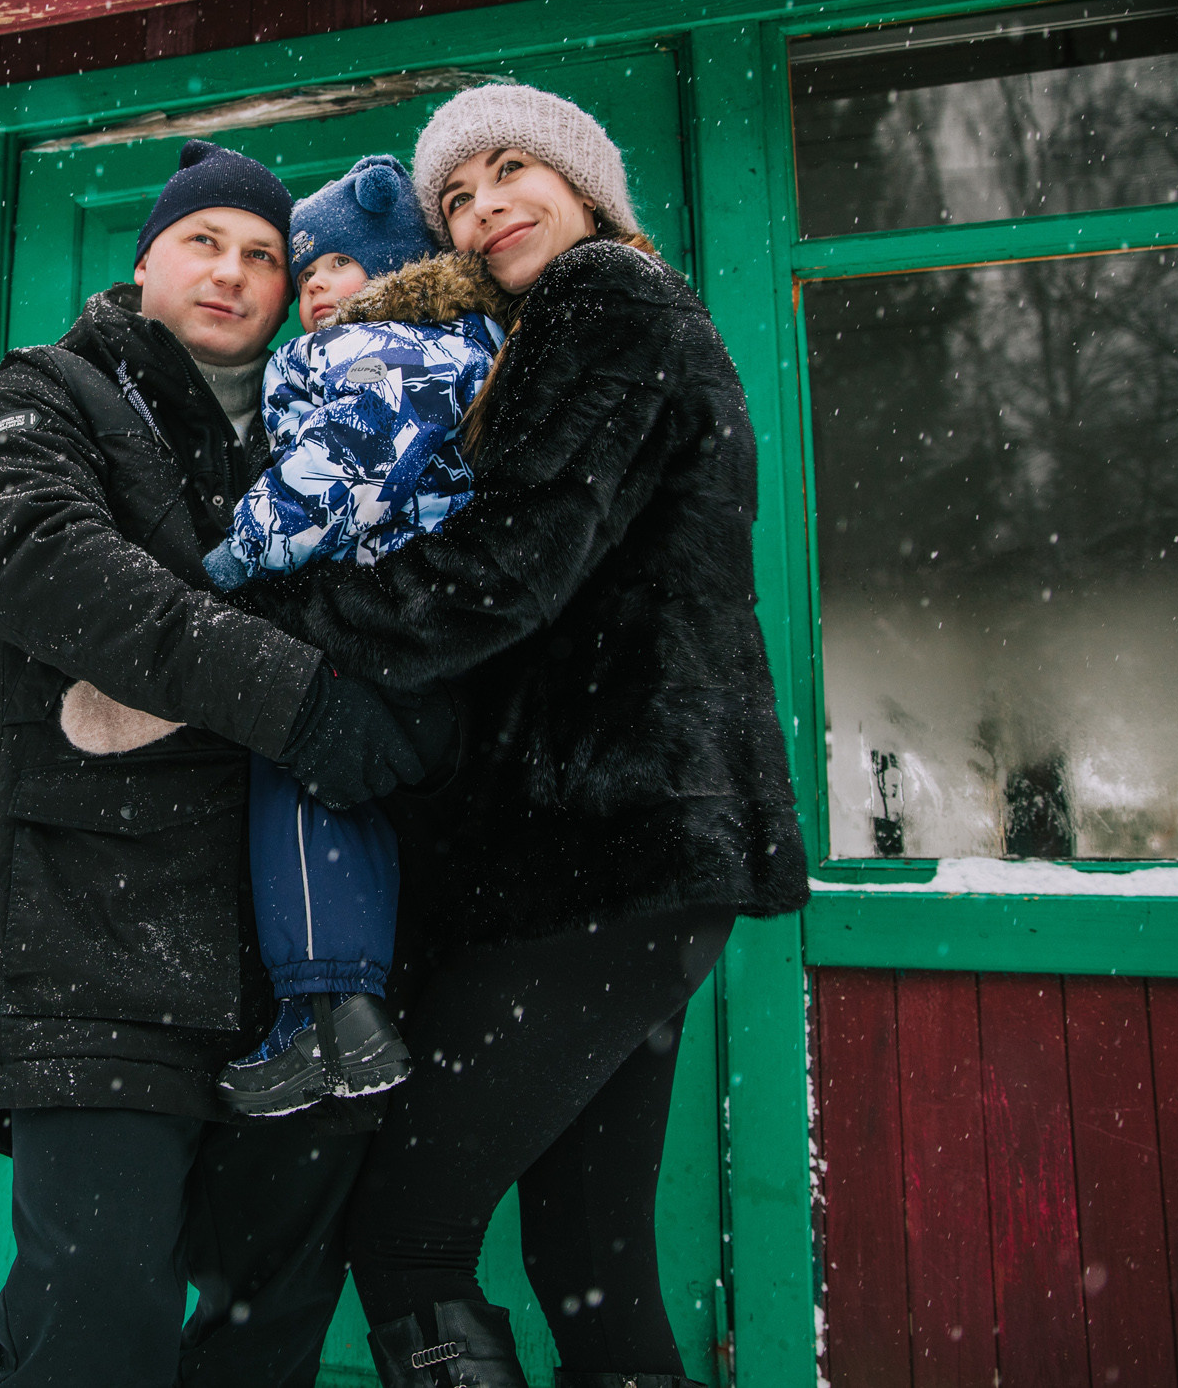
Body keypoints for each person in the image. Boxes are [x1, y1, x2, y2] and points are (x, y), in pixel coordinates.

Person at [236, 87, 811, 1388]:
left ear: (589, 185)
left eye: (513, 171)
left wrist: (284, 612)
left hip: (596, 851)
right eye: (458, 195)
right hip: (640, 856)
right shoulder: (603, 318)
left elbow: (505, 566)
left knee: (410, 1232)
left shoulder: (602, 302)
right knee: (586, 1248)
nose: (486, 204)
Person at [0, 139, 450, 1388]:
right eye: (202, 243)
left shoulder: (344, 414)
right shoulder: (50, 394)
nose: (231, 273)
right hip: (98, 941)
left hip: (308, 964)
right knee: (91, 1322)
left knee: (265, 1333)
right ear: (145, 259)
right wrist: (301, 700)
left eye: (263, 256)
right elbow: (45, 563)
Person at [201, 155, 514, 1119]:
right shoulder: (443, 348)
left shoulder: (387, 352)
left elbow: (335, 474)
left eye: (339, 263)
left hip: (376, 621)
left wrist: (233, 555)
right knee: (338, 801)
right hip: (411, 637)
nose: (318, 289)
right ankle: (338, 1016)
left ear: (396, 265)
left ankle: (329, 1008)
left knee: (297, 773)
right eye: (307, 276)